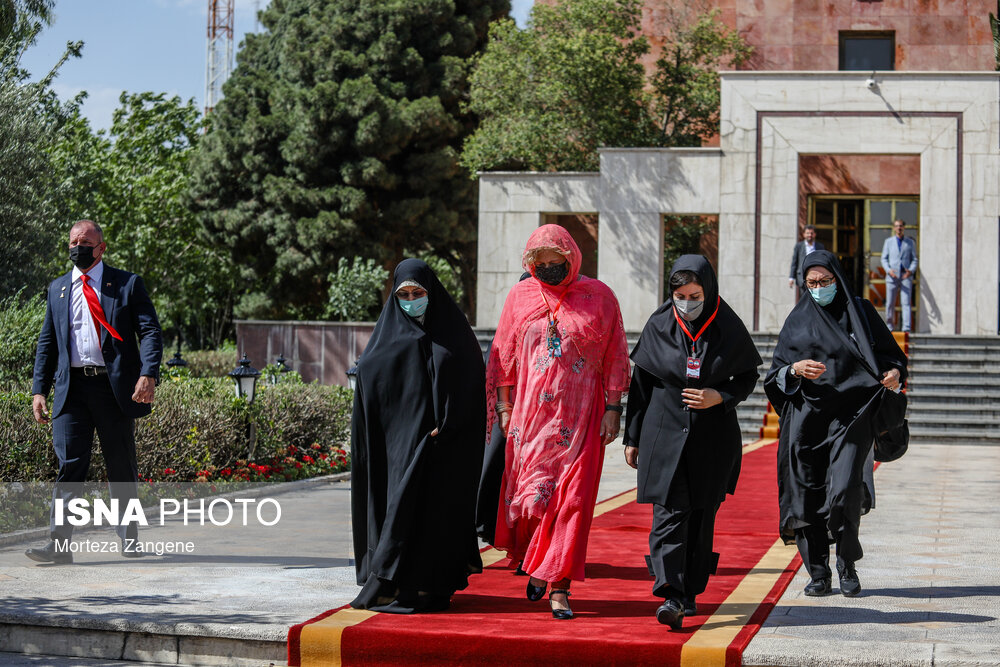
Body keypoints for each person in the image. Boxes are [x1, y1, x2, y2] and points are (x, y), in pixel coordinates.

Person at [487, 224, 630, 620]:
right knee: (534, 501)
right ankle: (538, 562)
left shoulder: (599, 297)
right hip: (530, 420)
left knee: (573, 504)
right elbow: (504, 358)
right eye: (541, 263)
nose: (549, 268)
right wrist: (503, 409)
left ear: (572, 257)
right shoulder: (520, 297)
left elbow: (616, 354)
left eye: (556, 261)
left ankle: (559, 586)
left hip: (581, 418)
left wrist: (614, 409)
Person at [623, 255, 761, 629]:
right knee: (668, 514)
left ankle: (688, 593)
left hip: (711, 439)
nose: (687, 303)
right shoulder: (660, 324)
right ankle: (670, 593)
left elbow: (747, 377)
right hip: (663, 434)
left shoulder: (728, 326)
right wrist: (631, 436)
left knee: (700, 517)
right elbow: (641, 384)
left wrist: (720, 396)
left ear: (708, 290)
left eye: (694, 295)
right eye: (680, 295)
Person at [765, 250, 906, 598]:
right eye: (811, 283)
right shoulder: (796, 320)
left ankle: (846, 564)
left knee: (845, 490)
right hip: (806, 419)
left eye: (825, 282)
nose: (818, 288)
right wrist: (795, 370)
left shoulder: (858, 312)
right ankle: (818, 572)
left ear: (837, 279)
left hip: (852, 415)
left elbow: (891, 356)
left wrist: (893, 373)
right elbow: (775, 373)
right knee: (806, 493)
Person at [350, 259, 486, 613]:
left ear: (432, 292)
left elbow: (471, 383)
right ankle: (399, 585)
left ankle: (434, 587)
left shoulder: (454, 333)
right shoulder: (389, 335)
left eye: (418, 293)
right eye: (404, 294)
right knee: (399, 509)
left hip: (443, 447)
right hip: (399, 447)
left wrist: (450, 421)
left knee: (435, 515)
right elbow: (369, 375)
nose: (411, 300)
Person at [28, 219, 163, 564]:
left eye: (85, 242)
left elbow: (149, 332)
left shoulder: (127, 284)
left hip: (113, 388)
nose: (77, 247)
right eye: (73, 242)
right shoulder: (58, 289)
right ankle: (60, 547)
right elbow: (47, 343)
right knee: (69, 464)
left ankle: (129, 539)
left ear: (101, 248)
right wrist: (39, 389)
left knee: (120, 465)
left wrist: (148, 374)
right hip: (71, 389)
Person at [880, 219, 917, 332]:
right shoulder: (888, 242)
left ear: (904, 227)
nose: (899, 228)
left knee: (906, 303)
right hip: (892, 276)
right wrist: (888, 270)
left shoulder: (910, 242)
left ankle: (906, 328)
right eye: (897, 226)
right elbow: (884, 258)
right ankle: (889, 327)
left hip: (905, 277)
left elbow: (914, 259)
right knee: (890, 303)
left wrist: (910, 271)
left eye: (901, 226)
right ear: (894, 228)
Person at [789, 225, 825, 290]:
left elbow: (823, 262)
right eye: (807, 233)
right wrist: (791, 278)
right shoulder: (799, 246)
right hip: (802, 279)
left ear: (815, 234)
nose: (810, 235)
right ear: (804, 234)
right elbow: (794, 262)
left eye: (811, 233)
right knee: (803, 299)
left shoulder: (820, 246)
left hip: (816, 279)